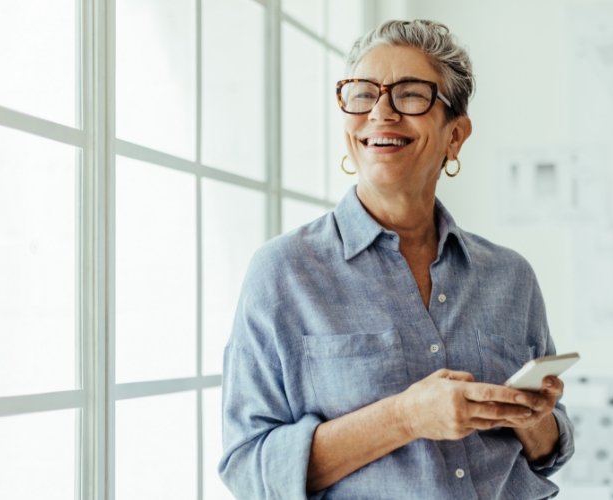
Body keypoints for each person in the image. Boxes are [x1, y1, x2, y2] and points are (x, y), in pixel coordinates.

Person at [218, 19, 574, 500]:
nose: (380, 113)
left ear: (455, 136)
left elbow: (549, 451)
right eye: (363, 94)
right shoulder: (284, 272)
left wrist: (535, 420)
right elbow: (248, 468)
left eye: (410, 95)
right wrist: (405, 417)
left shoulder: (510, 276)